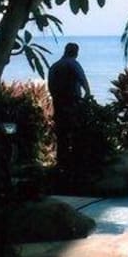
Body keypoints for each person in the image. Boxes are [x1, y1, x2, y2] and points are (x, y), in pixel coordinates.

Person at [47, 42, 92, 172]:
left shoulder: (55, 66)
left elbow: (50, 87)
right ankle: (74, 163)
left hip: (58, 104)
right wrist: (87, 95)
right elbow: (83, 80)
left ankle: (61, 163)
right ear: (75, 52)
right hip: (73, 103)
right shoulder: (73, 64)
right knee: (75, 132)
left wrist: (56, 98)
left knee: (61, 135)